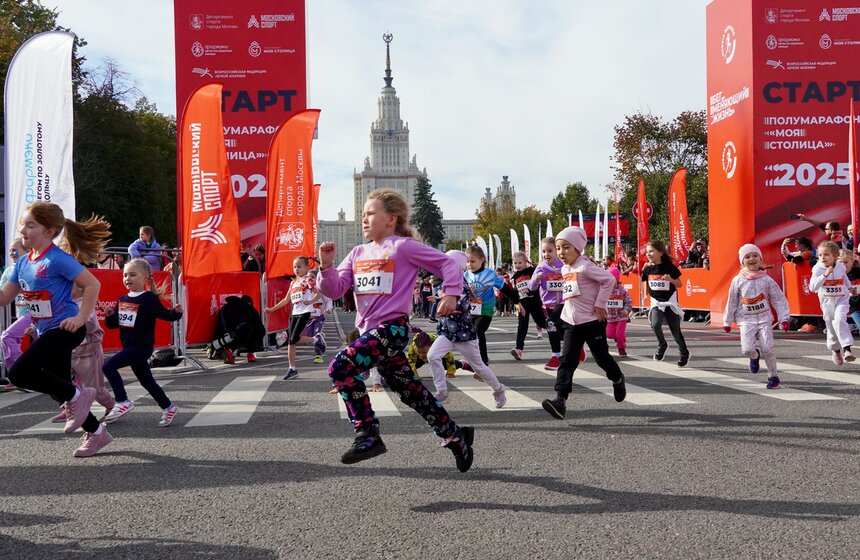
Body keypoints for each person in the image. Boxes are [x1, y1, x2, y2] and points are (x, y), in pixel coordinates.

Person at [317, 188, 475, 472]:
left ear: (391, 219)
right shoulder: (357, 253)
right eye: (362, 213)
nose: (363, 219)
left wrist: (451, 294)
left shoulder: (402, 247)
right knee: (410, 391)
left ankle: (367, 433)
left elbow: (447, 264)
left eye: (370, 213)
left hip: (393, 329)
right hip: (370, 334)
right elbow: (335, 289)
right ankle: (454, 435)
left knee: (340, 367)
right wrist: (326, 266)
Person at [0, 201, 113, 457]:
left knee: (19, 373)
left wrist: (82, 317)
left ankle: (77, 394)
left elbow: (92, 284)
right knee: (57, 388)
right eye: (22, 225)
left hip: (66, 328)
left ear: (49, 231)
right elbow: (4, 297)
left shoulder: (57, 259)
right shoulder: (23, 263)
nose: (23, 231)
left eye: (30, 225)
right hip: (45, 330)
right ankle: (97, 433)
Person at [541, 227, 626, 420]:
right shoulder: (564, 268)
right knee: (567, 360)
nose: (562, 252)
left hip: (592, 321)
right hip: (572, 322)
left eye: (566, 248)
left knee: (601, 358)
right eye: (559, 248)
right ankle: (560, 400)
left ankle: (617, 378)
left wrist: (600, 305)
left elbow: (609, 280)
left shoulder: (585, 266)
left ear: (578, 248)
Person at [102, 258, 183, 426]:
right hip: (129, 347)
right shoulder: (122, 298)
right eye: (125, 275)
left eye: (132, 274)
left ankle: (122, 400)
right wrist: (109, 315)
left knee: (108, 366)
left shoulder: (148, 298)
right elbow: (113, 325)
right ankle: (168, 406)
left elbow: (165, 315)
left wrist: (176, 313)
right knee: (147, 381)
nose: (127, 279)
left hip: (142, 347)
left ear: (146, 278)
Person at [427, 250, 506, 407]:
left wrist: (446, 304)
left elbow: (464, 305)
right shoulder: (444, 284)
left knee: (479, 367)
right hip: (447, 332)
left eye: (447, 266)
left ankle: (498, 390)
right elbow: (443, 297)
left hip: (464, 335)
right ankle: (442, 391)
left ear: (456, 269)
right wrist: (436, 299)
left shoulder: (461, 285)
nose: (443, 269)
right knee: (432, 356)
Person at [722, 244, 791, 389]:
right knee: (747, 349)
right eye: (747, 257)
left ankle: (773, 377)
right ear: (742, 262)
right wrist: (727, 320)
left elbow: (778, 299)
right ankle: (754, 357)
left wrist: (784, 318)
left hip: (765, 319)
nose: (751, 259)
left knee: (768, 348)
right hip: (746, 321)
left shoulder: (766, 280)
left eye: (755, 256)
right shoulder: (738, 280)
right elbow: (732, 301)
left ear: (760, 259)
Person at [265, 256, 325, 379]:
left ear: (307, 267)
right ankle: (292, 368)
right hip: (295, 314)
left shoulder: (308, 280)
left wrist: (310, 301)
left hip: (305, 313)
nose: (296, 269)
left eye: (299, 266)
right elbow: (286, 300)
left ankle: (315, 340)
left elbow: (319, 293)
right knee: (291, 342)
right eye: (294, 267)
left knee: (293, 339)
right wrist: (271, 309)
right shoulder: (293, 282)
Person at [464, 246, 518, 365]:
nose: (469, 264)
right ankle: (473, 359)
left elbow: (505, 289)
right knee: (469, 335)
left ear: (482, 259)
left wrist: (518, 301)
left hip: (486, 310)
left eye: (472, 261)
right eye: (467, 262)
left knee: (479, 331)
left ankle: (484, 361)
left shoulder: (490, 274)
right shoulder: (466, 275)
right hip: (470, 311)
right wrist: (467, 290)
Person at [642, 239, 690, 367]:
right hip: (656, 302)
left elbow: (679, 284)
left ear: (660, 252)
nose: (649, 254)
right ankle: (662, 344)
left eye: (651, 251)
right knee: (655, 324)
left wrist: (670, 279)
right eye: (647, 252)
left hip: (670, 302)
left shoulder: (669, 268)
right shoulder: (647, 269)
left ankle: (684, 353)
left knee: (675, 331)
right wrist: (645, 296)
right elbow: (645, 284)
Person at [809, 241, 854, 365]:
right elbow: (813, 287)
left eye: (826, 254)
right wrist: (824, 275)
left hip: (841, 299)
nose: (823, 257)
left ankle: (847, 349)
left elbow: (844, 277)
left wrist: (850, 288)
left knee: (839, 320)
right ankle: (835, 349)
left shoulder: (840, 266)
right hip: (827, 301)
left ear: (835, 256)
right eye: (820, 255)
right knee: (830, 324)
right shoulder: (817, 268)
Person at [529, 237, 565, 370]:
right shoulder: (541, 267)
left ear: (557, 250)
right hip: (549, 304)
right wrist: (537, 280)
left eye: (550, 251)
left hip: (564, 302)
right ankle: (575, 348)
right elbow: (531, 287)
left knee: (551, 324)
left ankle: (556, 357)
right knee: (557, 330)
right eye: (544, 251)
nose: (546, 254)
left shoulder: (564, 265)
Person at [508, 251, 549, 362]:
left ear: (526, 262)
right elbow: (515, 290)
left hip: (534, 301)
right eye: (515, 263)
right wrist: (516, 301)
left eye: (520, 263)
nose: (517, 265)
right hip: (523, 304)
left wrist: (530, 289)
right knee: (522, 326)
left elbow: (538, 284)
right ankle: (519, 349)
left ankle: (563, 335)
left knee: (542, 322)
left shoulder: (532, 271)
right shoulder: (515, 276)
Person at [0, 239, 31, 383]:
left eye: (15, 250)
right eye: (10, 251)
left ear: (27, 251)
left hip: (36, 314)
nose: (12, 254)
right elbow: (2, 294)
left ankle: (21, 375)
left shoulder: (34, 266)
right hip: (24, 315)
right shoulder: (9, 270)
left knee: (7, 337)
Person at [605, 266, 633, 356]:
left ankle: (621, 348)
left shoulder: (622, 291)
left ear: (616, 279)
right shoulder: (604, 290)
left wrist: (626, 309)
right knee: (609, 334)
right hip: (609, 316)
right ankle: (618, 338)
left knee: (620, 334)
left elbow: (629, 300)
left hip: (621, 316)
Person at [841, 249, 860, 334]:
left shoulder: (858, 272)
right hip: (854, 307)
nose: (843, 265)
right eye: (840, 262)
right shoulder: (837, 275)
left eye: (845, 262)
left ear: (852, 261)